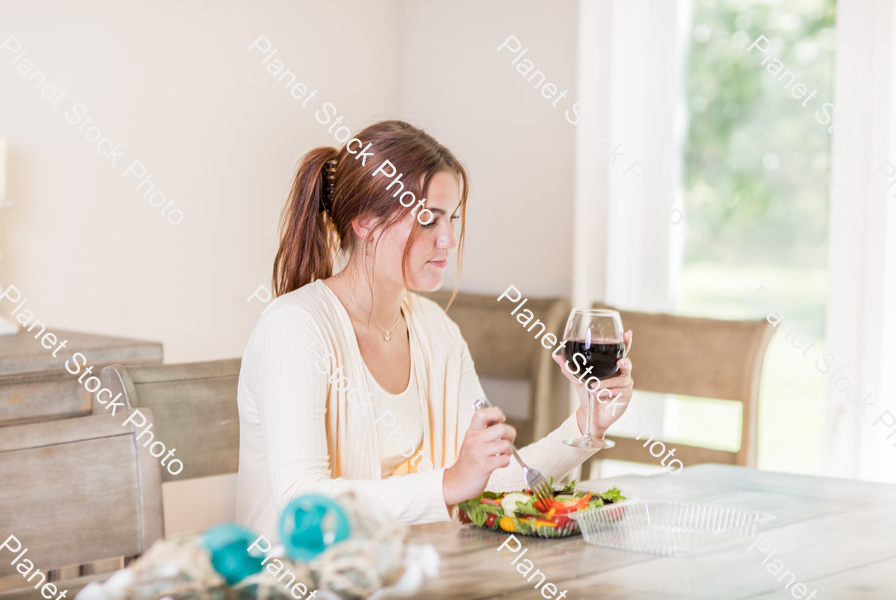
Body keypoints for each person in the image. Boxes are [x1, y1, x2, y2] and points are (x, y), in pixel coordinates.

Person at [235, 120, 634, 537]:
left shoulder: (435, 329)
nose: (448, 239)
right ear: (365, 223)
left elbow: (486, 481)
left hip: (402, 576)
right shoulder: (294, 328)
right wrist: (449, 483)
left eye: (452, 219)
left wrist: (588, 424)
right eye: (428, 218)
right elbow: (302, 502)